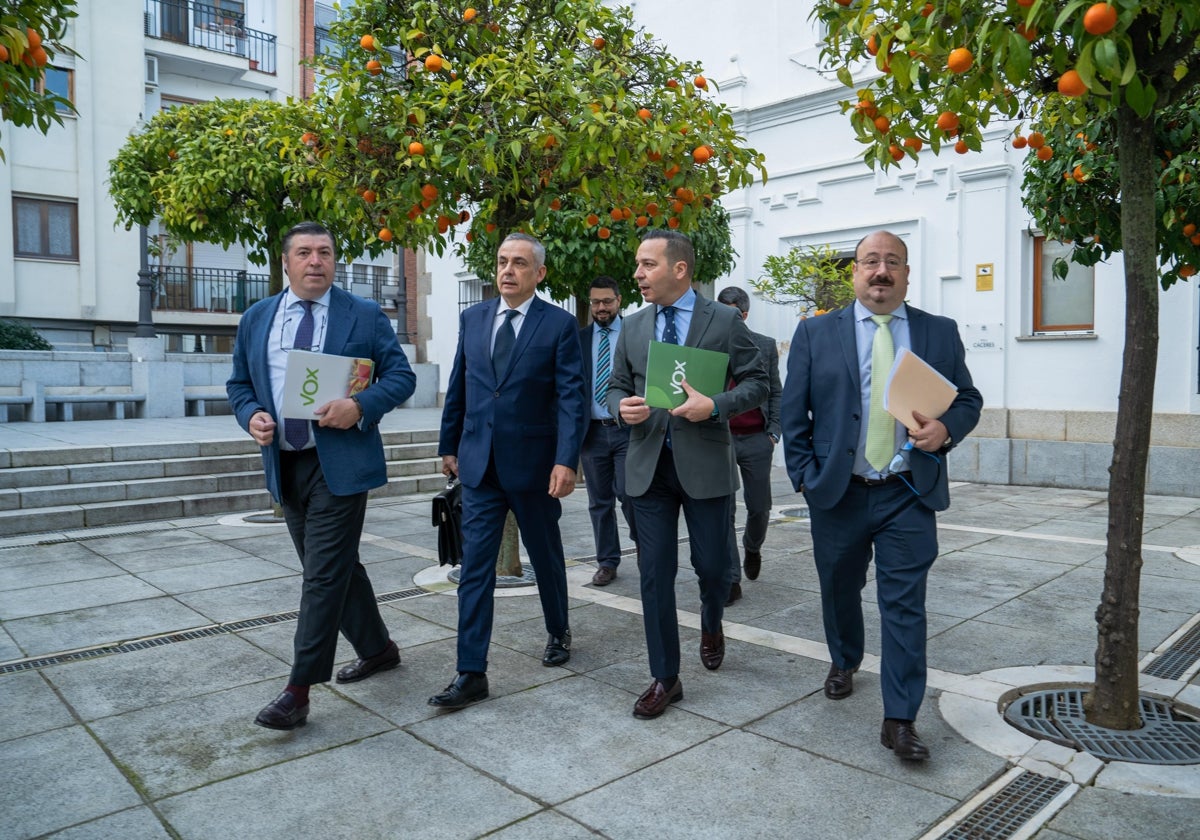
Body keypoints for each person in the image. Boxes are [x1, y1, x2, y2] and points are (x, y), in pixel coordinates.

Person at [781, 230, 982, 761]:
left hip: (908, 490)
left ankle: (900, 719)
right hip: (839, 492)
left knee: (904, 606)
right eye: (870, 261)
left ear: (907, 274)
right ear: (854, 272)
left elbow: (967, 397)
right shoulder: (815, 334)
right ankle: (844, 657)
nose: (881, 271)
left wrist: (946, 429)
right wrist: (803, 473)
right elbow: (792, 412)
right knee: (839, 588)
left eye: (892, 262)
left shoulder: (939, 332)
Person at [227, 221, 416, 731]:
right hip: (286, 465)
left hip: (341, 465)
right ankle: (377, 649)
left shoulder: (363, 314)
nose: (316, 261)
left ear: (335, 261)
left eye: (325, 253)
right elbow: (240, 383)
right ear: (285, 262)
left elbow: (401, 377)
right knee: (336, 567)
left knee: (322, 575)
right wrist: (251, 416)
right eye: (305, 253)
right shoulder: (258, 318)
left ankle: (298, 690)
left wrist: (360, 405)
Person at [608, 229, 768, 719]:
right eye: (637, 264)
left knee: (713, 568)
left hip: (705, 465)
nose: (637, 274)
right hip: (648, 468)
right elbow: (615, 387)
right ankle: (665, 676)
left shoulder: (722, 320)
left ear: (679, 269)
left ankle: (712, 621)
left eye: (647, 265)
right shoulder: (632, 326)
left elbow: (759, 381)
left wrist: (715, 405)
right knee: (654, 575)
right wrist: (623, 409)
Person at [432, 232, 587, 711]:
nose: (507, 271)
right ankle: (470, 671)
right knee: (473, 569)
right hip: (479, 465)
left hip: (535, 468)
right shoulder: (473, 318)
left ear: (538, 274)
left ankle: (558, 630)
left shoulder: (558, 325)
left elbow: (570, 399)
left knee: (546, 556)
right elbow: (460, 382)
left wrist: (566, 459)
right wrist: (449, 443)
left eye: (519, 263)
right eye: (502, 261)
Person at [715, 286, 782, 604]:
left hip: (757, 438)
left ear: (743, 315)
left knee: (760, 507)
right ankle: (731, 579)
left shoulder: (765, 346)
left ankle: (753, 546)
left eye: (732, 314)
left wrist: (774, 432)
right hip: (720, 439)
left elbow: (776, 391)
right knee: (723, 512)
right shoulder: (709, 346)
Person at [579, 275, 637, 586]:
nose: (601, 308)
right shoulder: (580, 338)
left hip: (627, 429)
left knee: (630, 494)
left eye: (607, 302)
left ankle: (646, 548)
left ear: (619, 300)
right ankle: (607, 561)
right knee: (599, 501)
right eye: (596, 303)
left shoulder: (634, 332)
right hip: (592, 433)